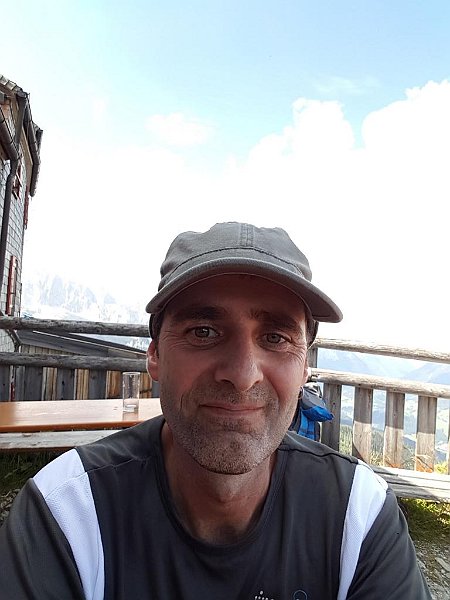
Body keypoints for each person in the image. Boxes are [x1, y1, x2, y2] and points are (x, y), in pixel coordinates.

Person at [0, 222, 430, 599]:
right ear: (154, 355)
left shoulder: (358, 516)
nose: (242, 375)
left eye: (276, 338)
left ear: (305, 368)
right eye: (203, 331)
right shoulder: (68, 513)